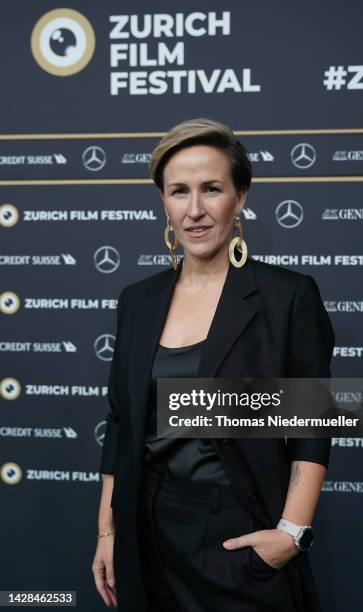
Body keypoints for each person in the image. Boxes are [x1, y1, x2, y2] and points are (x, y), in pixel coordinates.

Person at [92, 117, 335, 612]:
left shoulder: (286, 296)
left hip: (235, 535)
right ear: (163, 201)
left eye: (212, 189)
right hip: (148, 532)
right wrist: (107, 531)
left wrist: (290, 534)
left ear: (240, 196)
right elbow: (121, 425)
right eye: (179, 191)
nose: (195, 210)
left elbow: (312, 424)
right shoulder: (137, 300)